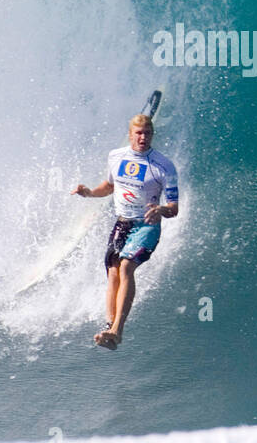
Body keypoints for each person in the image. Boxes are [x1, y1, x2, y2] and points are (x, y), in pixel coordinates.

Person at [71, 113, 178, 349]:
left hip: (146, 225)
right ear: (130, 135)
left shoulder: (164, 166)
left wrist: (160, 209)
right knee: (112, 273)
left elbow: (174, 209)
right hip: (122, 223)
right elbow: (109, 187)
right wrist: (88, 192)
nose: (143, 137)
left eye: (147, 133)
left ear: (152, 135)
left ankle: (118, 329)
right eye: (138, 133)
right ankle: (109, 328)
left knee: (127, 265)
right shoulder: (116, 157)